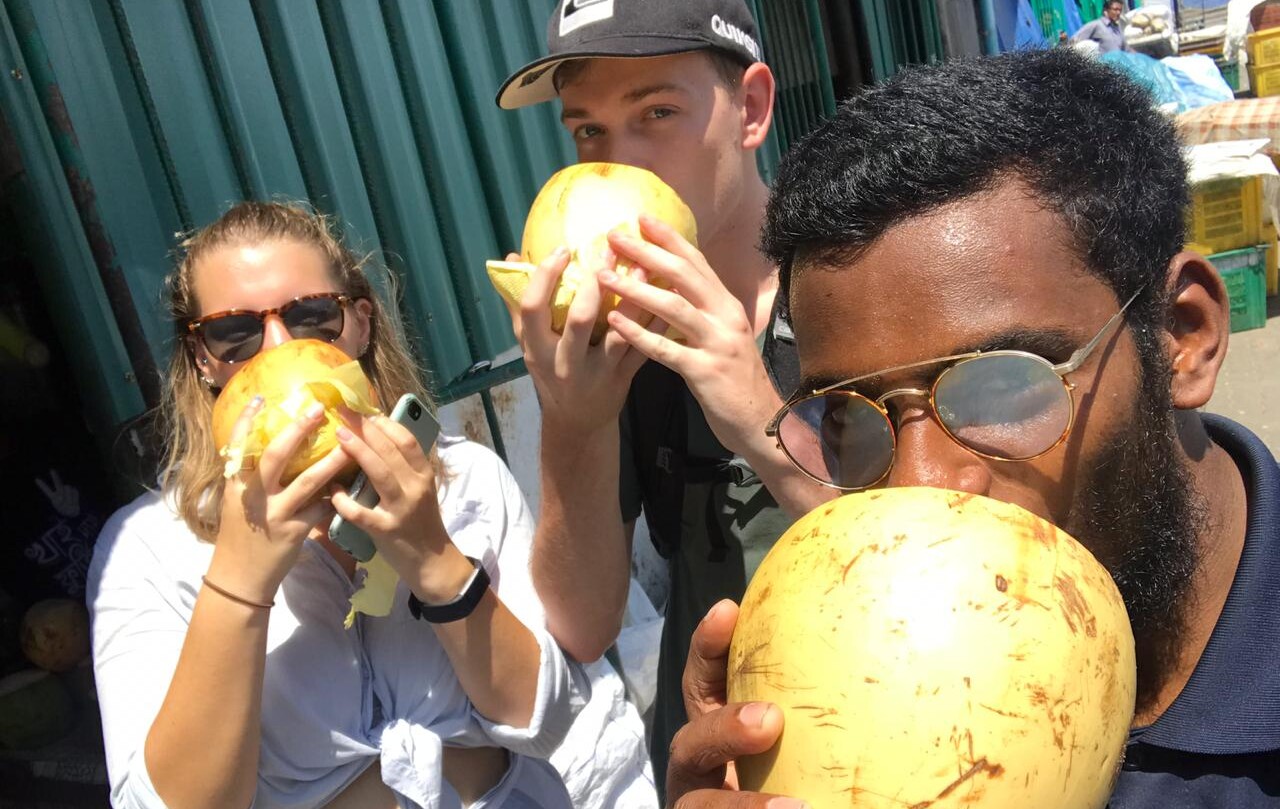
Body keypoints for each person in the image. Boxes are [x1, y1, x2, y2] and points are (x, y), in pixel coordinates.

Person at [666, 50, 1280, 808]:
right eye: (854, 417)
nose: (922, 485)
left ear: (1184, 336)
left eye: (1002, 385)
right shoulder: (862, 681)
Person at [88, 201, 576, 809]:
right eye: (233, 333)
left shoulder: (466, 480)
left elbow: (547, 721)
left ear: (360, 324)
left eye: (312, 316)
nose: (276, 349)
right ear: (203, 360)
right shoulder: (147, 550)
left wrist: (433, 559)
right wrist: (239, 582)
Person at [495, 0, 834, 793]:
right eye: (589, 130)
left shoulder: (859, 289)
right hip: (714, 763)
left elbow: (950, 569)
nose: (621, 163)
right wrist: (573, 421)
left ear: (751, 108)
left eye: (657, 111)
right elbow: (582, 625)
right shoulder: (620, 334)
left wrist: (758, 417)